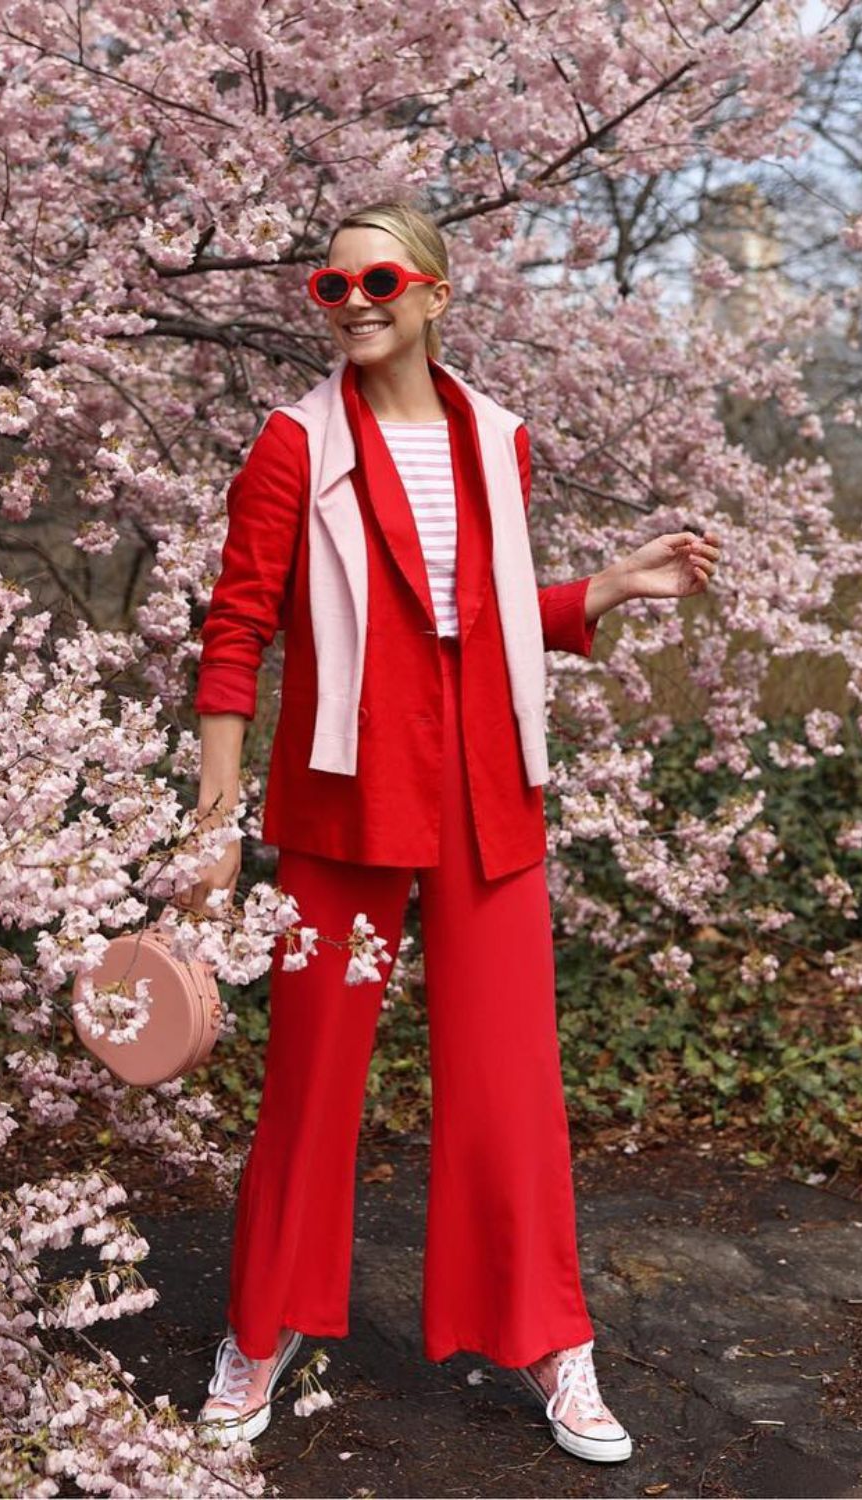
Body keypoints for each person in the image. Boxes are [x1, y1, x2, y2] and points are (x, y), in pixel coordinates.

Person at [180, 198, 721, 1464]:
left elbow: (468, 616)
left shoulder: (499, 441)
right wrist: (214, 820)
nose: (354, 299)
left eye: (379, 278)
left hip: (487, 795)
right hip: (342, 799)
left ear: (434, 293)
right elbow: (235, 634)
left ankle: (546, 1337)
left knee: (508, 1084)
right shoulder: (289, 448)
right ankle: (262, 1328)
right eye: (331, 283)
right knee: (311, 1080)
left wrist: (612, 587)